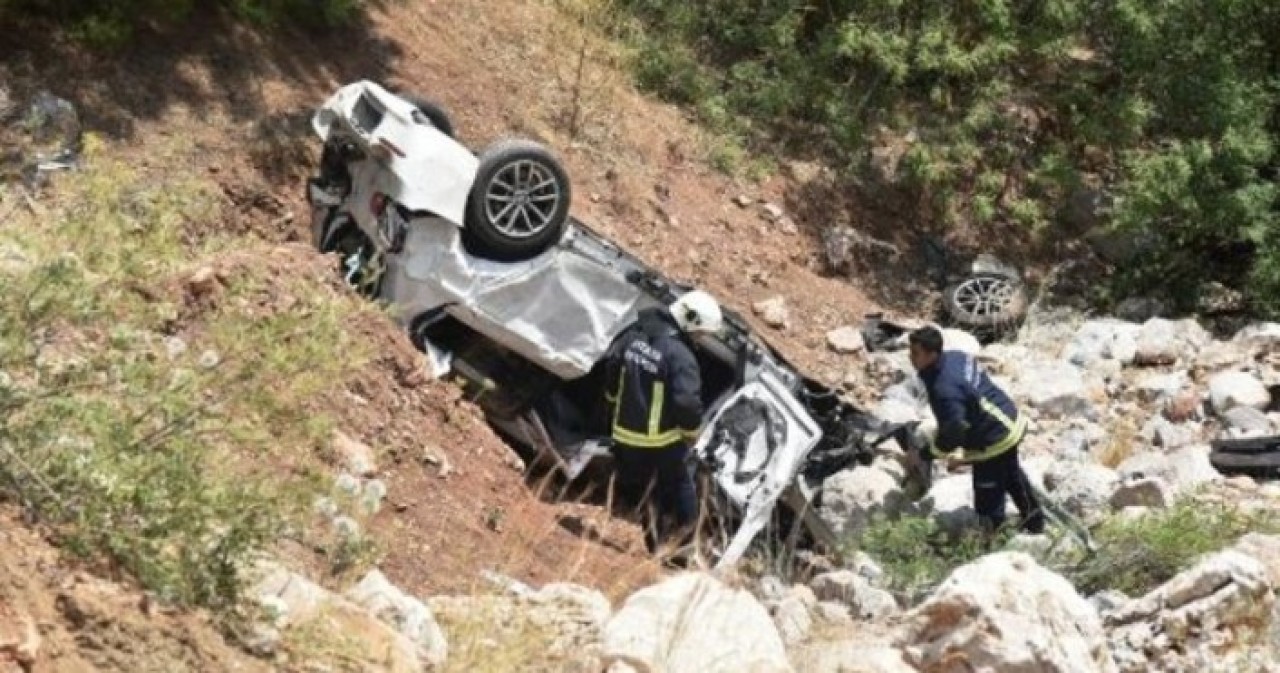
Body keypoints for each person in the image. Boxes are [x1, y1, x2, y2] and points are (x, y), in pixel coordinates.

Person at [603, 289, 723, 556]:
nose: (701, 339)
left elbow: (612, 366)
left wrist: (612, 402)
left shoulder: (634, 334)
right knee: (681, 485)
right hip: (661, 440)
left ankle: (655, 546)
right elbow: (686, 403)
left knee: (647, 493)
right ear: (690, 321)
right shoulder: (681, 357)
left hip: (625, 435)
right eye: (701, 333)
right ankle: (687, 547)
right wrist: (691, 432)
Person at [907, 326, 1045, 536]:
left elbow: (953, 432)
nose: (910, 357)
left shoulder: (943, 389)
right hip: (1008, 418)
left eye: (916, 353)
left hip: (993, 438)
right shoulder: (956, 356)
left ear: (932, 354)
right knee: (1012, 475)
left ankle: (992, 539)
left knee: (988, 496)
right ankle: (1035, 524)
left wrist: (925, 454)